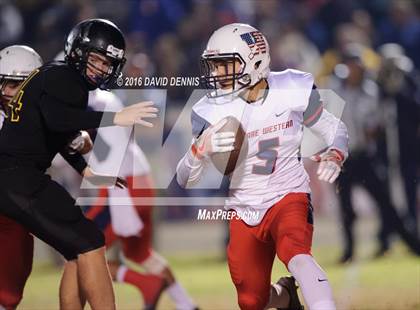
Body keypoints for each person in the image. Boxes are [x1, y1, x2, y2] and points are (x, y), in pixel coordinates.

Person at [176, 23, 349, 310]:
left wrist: (336, 152)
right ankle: (286, 297)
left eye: (225, 64)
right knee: (251, 300)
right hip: (244, 207)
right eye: (214, 66)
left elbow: (334, 128)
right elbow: (184, 180)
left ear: (255, 61)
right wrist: (198, 151)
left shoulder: (292, 86)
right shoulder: (209, 109)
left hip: (288, 194)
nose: (218, 74)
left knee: (297, 253)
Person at [0, 19, 157, 310]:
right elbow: (59, 120)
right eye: (95, 59)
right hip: (19, 178)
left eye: (108, 62)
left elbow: (55, 131)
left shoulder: (55, 75)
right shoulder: (66, 79)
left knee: (77, 250)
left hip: (16, 179)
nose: (100, 68)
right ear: (78, 52)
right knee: (91, 242)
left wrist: (87, 171)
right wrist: (114, 118)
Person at [81, 89, 198, 310]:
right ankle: (187, 305)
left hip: (123, 188)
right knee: (140, 253)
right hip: (141, 182)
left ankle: (145, 284)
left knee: (80, 250)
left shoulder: (92, 101)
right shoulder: (106, 99)